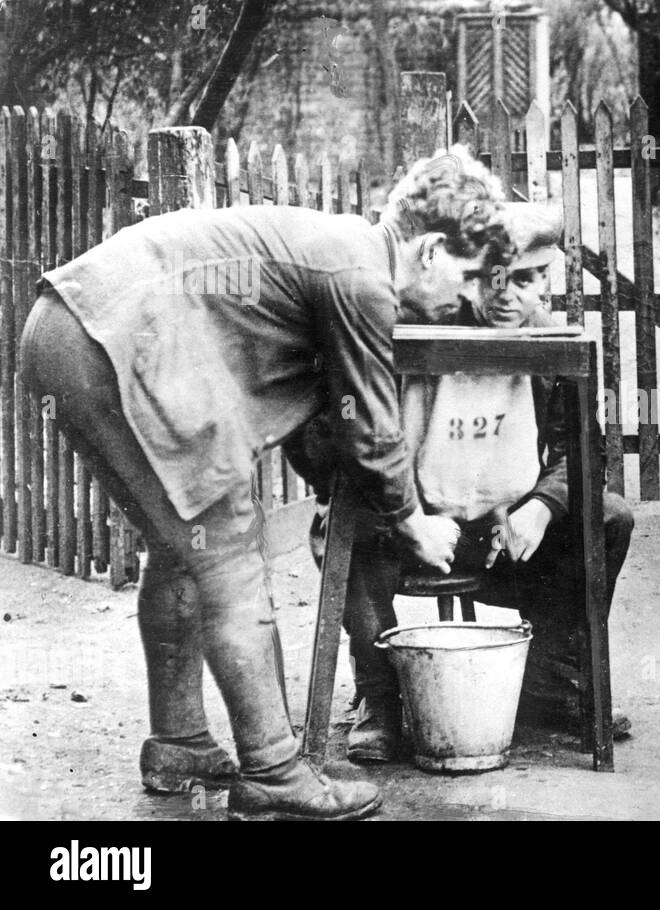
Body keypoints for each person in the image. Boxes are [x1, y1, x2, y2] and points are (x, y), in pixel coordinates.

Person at [19, 146, 512, 819]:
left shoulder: (341, 247)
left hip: (69, 325)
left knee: (185, 547)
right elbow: (370, 428)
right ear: (429, 250)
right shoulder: (363, 276)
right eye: (469, 275)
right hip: (112, 335)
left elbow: (326, 419)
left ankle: (180, 741)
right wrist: (412, 520)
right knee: (227, 551)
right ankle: (275, 771)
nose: (465, 299)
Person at [298, 202, 635, 764]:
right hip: (412, 532)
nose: (511, 295)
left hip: (502, 537)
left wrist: (542, 506)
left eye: (530, 279)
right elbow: (337, 442)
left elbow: (584, 450)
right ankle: (380, 697)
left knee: (609, 516)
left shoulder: (549, 342)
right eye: (494, 277)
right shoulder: (407, 327)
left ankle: (549, 680)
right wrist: (405, 516)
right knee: (347, 522)